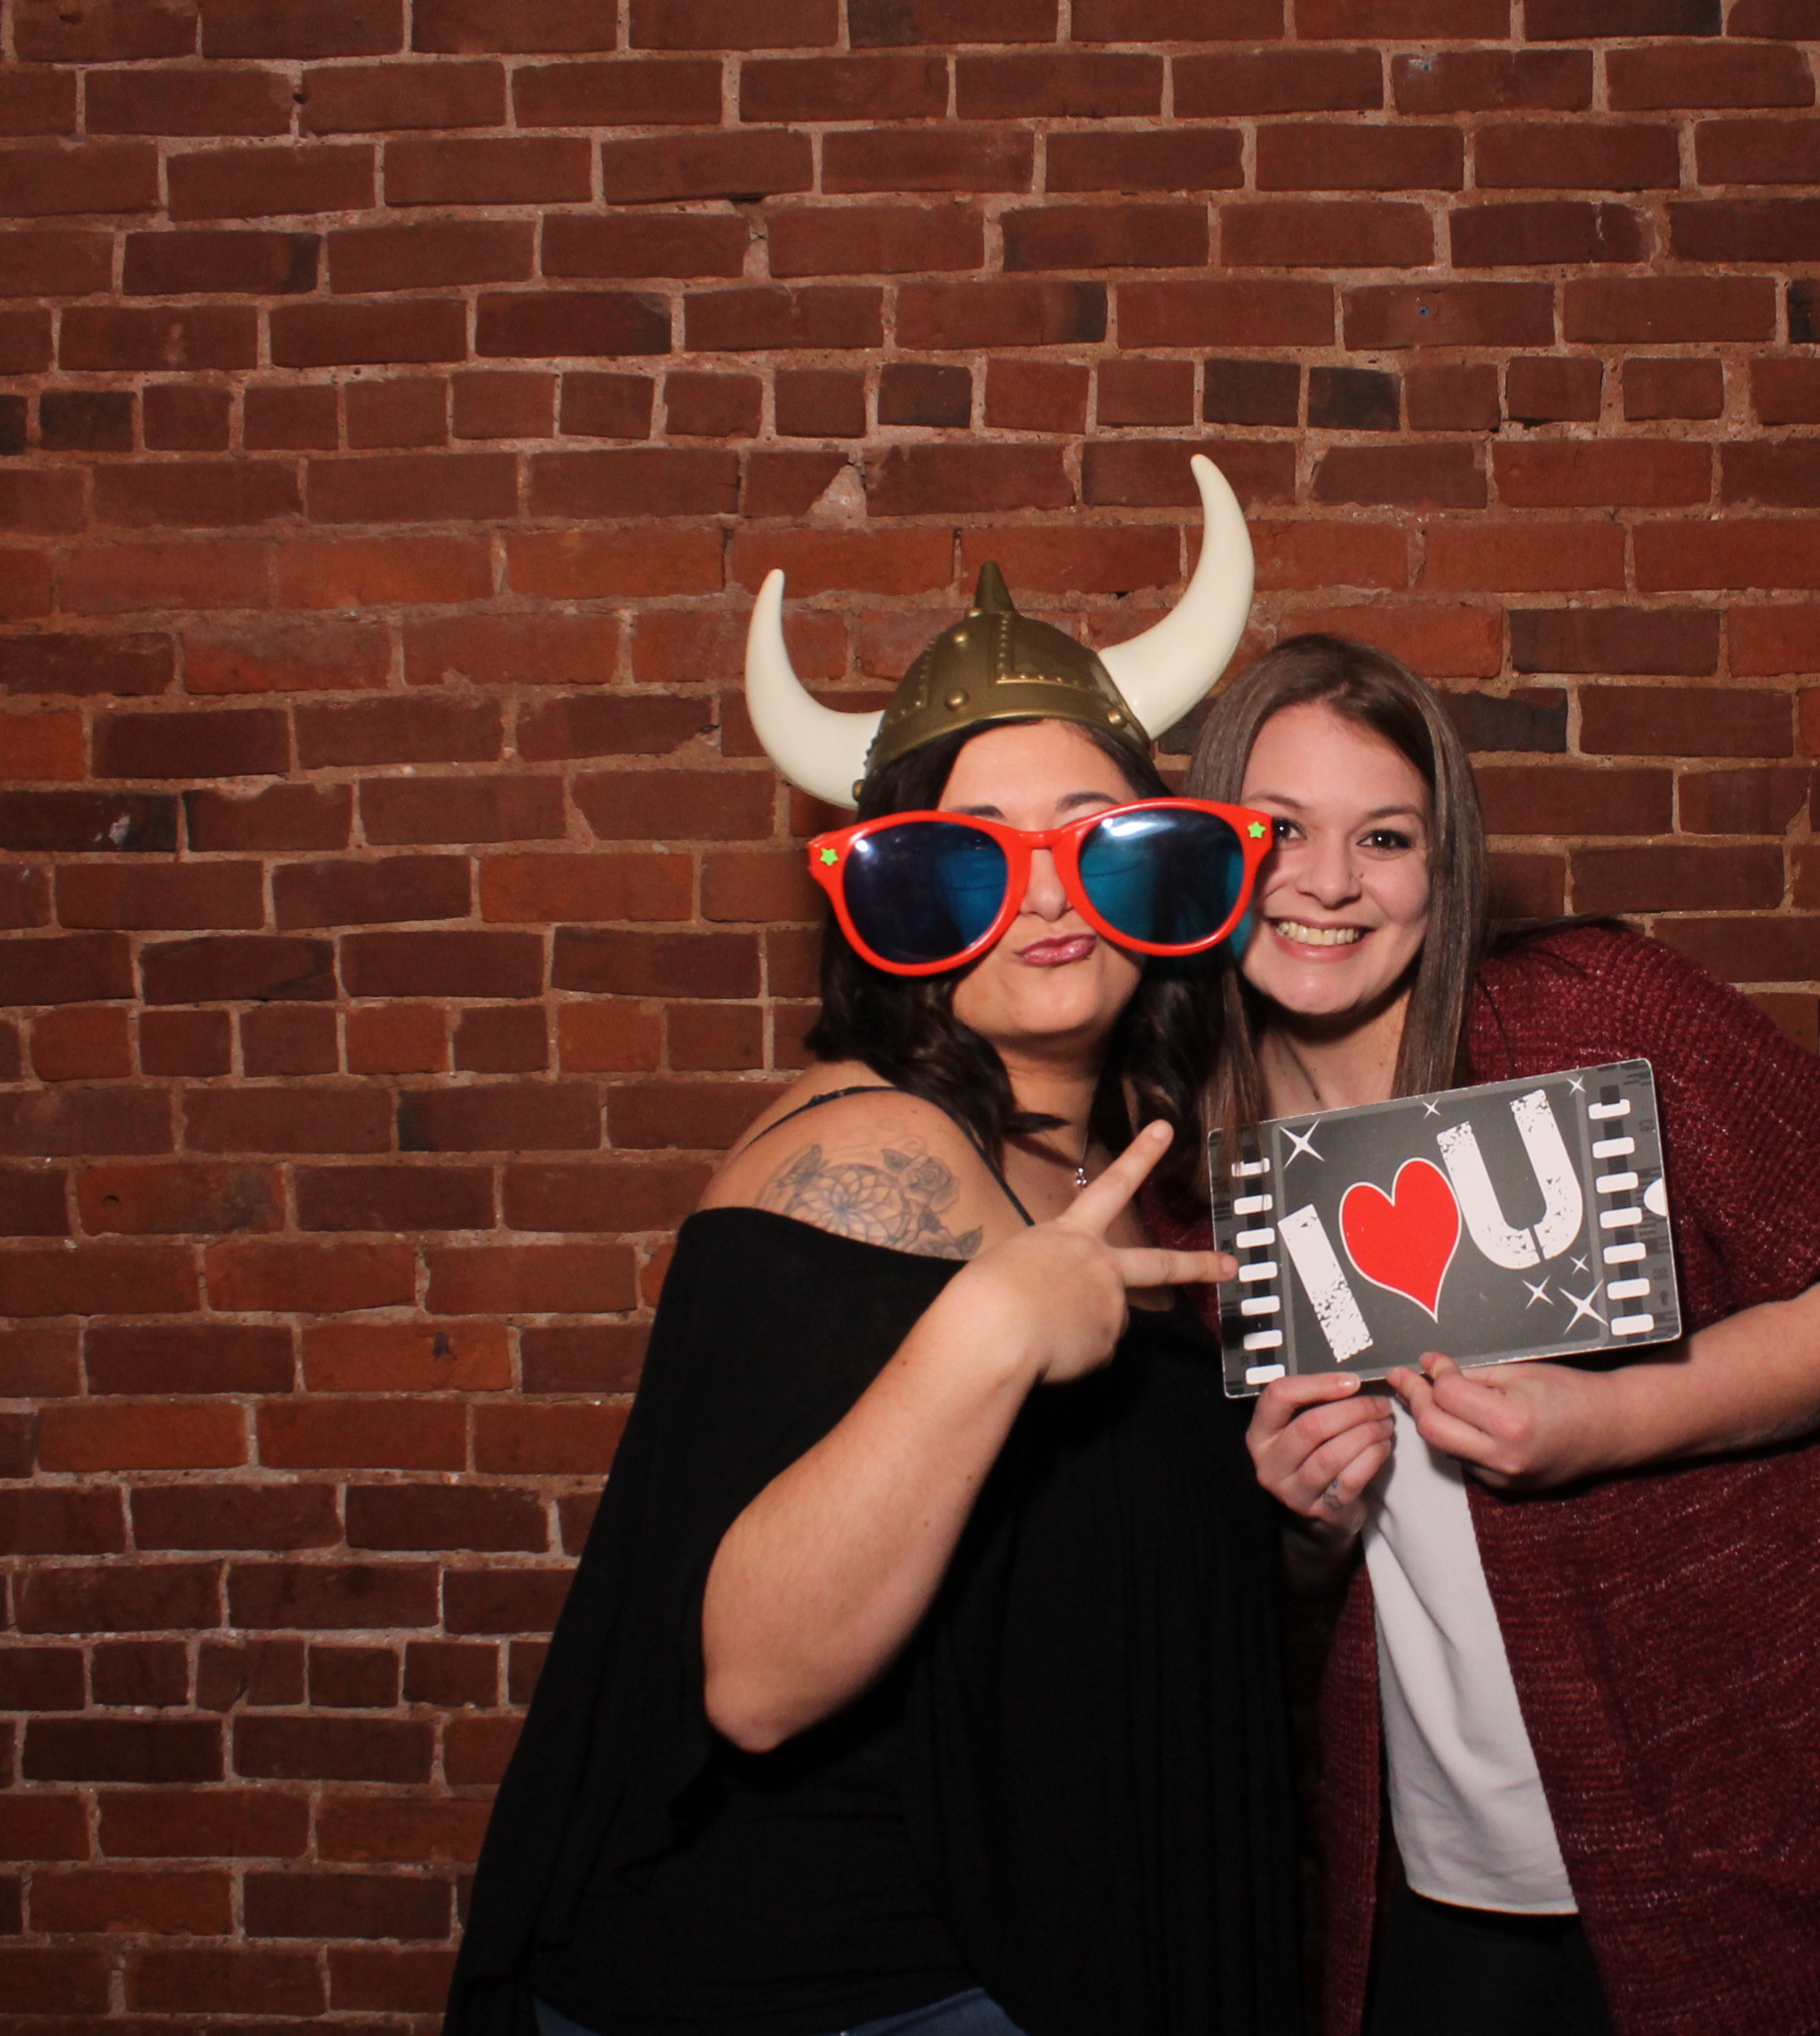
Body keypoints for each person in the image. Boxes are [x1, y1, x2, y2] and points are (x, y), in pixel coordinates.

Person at [449, 462, 1302, 2036]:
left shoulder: (1111, 1162)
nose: (1047, 894)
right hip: (821, 1992)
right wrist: (984, 1334)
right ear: (899, 902)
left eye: (1095, 838)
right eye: (974, 855)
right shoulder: (861, 1150)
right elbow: (757, 1677)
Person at [1178, 636, 1820, 2036]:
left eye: (1384, 836)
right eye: (1275, 831)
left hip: (1737, 1848)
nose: (1325, 882)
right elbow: (1343, 1556)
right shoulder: (1214, 1162)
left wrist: (1609, 1421)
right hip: (1445, 1871)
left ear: (1446, 862)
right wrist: (1306, 1515)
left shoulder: (1584, 1015)